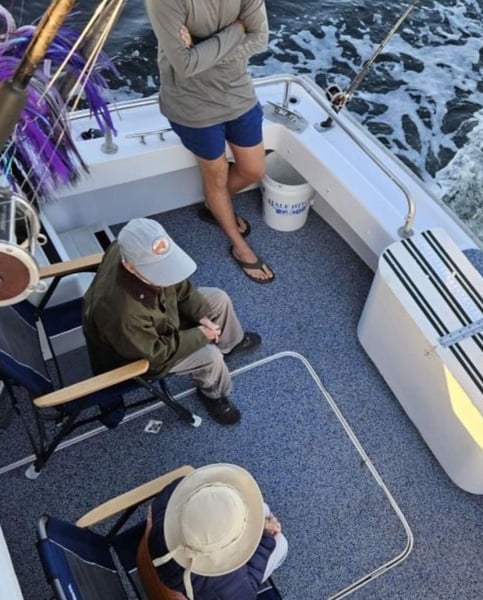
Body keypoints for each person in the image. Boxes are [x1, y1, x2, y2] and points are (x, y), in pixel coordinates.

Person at [144, 0, 274, 285]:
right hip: (192, 105)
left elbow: (260, 39)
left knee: (254, 170)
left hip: (238, 92)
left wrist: (205, 50)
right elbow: (185, 64)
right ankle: (240, 247)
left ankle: (215, 207)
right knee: (216, 175)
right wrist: (237, 28)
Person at [81, 218, 260, 425]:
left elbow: (177, 284)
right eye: (159, 270)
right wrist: (200, 336)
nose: (166, 273)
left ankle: (232, 342)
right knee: (210, 355)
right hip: (139, 352)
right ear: (130, 267)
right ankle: (214, 394)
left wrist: (201, 314)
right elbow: (155, 355)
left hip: (156, 316)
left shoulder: (126, 248)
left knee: (218, 298)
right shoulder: (121, 313)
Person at [137, 463, 288, 600]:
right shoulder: (228, 585)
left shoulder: (176, 492)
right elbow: (249, 583)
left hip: (158, 548)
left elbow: (157, 505)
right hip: (210, 587)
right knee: (280, 543)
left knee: (263, 510)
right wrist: (267, 537)